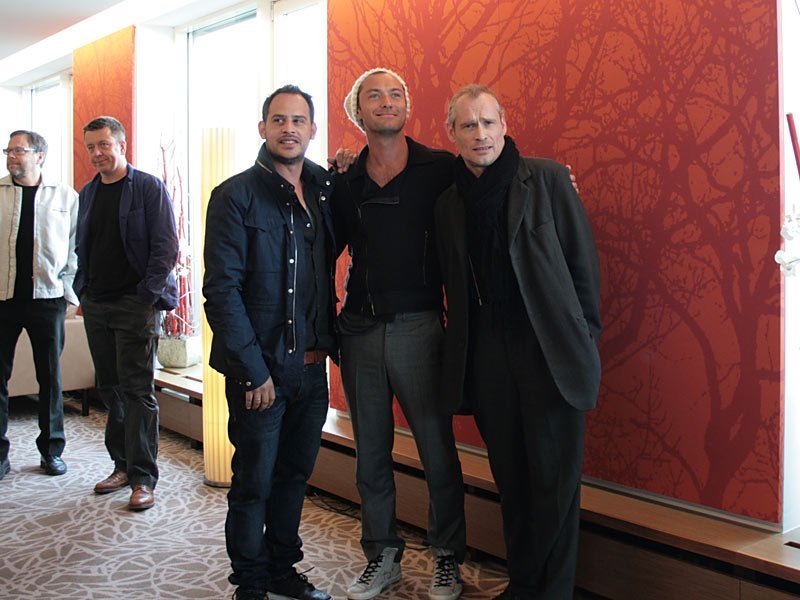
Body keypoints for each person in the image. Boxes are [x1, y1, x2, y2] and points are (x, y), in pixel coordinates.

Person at [435, 84, 602, 600]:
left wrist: (583, 340)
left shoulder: (547, 179)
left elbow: (583, 266)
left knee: (555, 483)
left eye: (488, 122)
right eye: (468, 125)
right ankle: (524, 584)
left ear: (504, 125)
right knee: (511, 478)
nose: (480, 134)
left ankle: (552, 592)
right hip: (487, 356)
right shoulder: (448, 202)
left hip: (549, 352)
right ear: (452, 134)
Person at [333, 68, 466, 600]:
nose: (386, 102)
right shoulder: (344, 180)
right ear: (357, 111)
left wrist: (549, 180)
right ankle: (382, 555)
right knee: (370, 454)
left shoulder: (441, 169)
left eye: (395, 94)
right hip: (359, 330)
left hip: (420, 327)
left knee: (437, 452)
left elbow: (491, 184)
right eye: (374, 96)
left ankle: (447, 558)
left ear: (406, 107)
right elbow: (324, 246)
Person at [203, 85, 336, 600]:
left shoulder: (322, 191)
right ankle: (251, 583)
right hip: (261, 372)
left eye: (298, 120)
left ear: (312, 130)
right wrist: (252, 371)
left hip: (312, 368)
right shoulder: (234, 195)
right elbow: (221, 291)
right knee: (253, 483)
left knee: (293, 477)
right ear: (262, 128)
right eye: (278, 120)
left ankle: (283, 569)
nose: (288, 129)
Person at [74, 116, 178, 511]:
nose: (97, 153)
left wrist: (146, 296)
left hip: (135, 304)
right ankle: (121, 465)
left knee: (137, 391)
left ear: (122, 145)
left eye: (104, 145)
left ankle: (143, 477)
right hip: (97, 303)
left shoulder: (148, 187)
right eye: (91, 147)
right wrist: (82, 289)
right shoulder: (88, 192)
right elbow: (84, 245)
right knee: (110, 388)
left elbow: (165, 247)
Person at [0, 130, 78, 481]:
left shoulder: (64, 196)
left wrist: (67, 289)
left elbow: (76, 246)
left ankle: (51, 451)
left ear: (40, 156)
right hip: (2, 298)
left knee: (50, 378)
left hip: (47, 299)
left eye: (19, 150)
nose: (12, 156)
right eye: (8, 150)